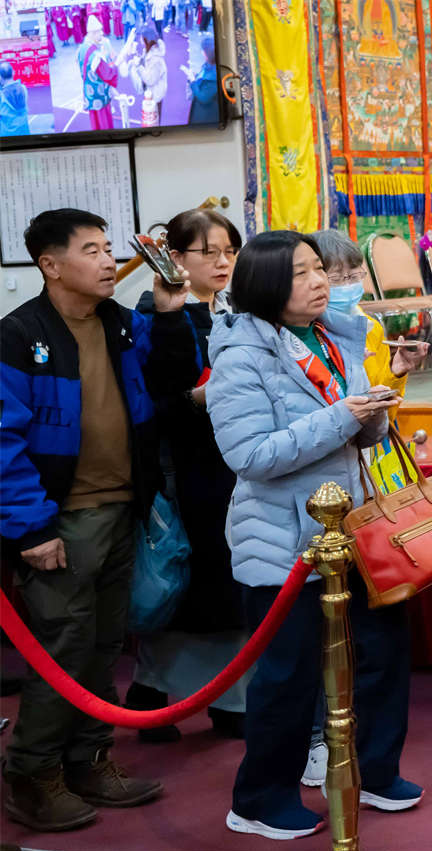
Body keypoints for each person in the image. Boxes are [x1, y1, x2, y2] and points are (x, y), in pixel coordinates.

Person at [207, 231, 421, 841]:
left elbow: (358, 435)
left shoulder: (333, 336)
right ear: (268, 284)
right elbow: (250, 456)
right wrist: (343, 415)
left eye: (319, 269)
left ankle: (373, 771)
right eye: (302, 273)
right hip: (282, 541)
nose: (321, 281)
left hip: (350, 530)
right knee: (288, 675)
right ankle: (258, 799)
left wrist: (373, 410)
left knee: (382, 653)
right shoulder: (241, 356)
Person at [0, 208, 196, 832]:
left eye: (109, 248)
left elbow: (174, 379)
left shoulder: (122, 324)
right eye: (91, 250)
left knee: (106, 644)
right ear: (50, 265)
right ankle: (31, 774)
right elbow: (2, 441)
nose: (109, 260)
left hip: (121, 507)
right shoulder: (17, 336)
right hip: (60, 521)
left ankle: (87, 759)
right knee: (64, 647)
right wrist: (31, 529)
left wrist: (171, 312)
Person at [298, 229, 429, 786]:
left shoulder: (366, 328)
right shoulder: (297, 339)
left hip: (373, 481)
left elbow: (379, 412)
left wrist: (395, 373)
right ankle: (316, 741)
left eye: (355, 274)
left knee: (378, 632)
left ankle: (374, 761)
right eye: (338, 275)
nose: (349, 284)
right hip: (322, 497)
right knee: (318, 634)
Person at [124, 210, 249, 742]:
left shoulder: (232, 310)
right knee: (181, 590)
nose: (223, 262)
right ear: (175, 258)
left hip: (228, 467)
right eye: (209, 252)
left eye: (230, 251)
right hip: (182, 469)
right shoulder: (154, 314)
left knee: (227, 590)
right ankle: (155, 695)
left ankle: (228, 698)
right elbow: (155, 397)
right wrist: (198, 399)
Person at [76, 15, 120, 131]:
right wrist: (116, 65)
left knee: (95, 122)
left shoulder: (81, 48)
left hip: (89, 91)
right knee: (104, 124)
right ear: (93, 33)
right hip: (99, 93)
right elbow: (108, 74)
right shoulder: (96, 55)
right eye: (99, 31)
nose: (102, 33)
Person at [123, 25, 166, 126]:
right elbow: (144, 61)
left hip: (155, 93)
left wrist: (138, 66)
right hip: (151, 91)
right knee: (150, 118)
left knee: (154, 119)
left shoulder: (156, 59)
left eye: (142, 38)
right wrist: (138, 59)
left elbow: (150, 80)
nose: (140, 41)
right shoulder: (149, 49)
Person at [184, 34, 219, 125]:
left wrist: (193, 82)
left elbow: (204, 98)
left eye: (203, 50)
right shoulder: (209, 64)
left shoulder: (214, 77)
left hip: (205, 114)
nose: (202, 52)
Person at [0, 62, 30, 137]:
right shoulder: (23, 88)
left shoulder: (1, 95)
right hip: (24, 132)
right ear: (13, 73)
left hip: (7, 135)